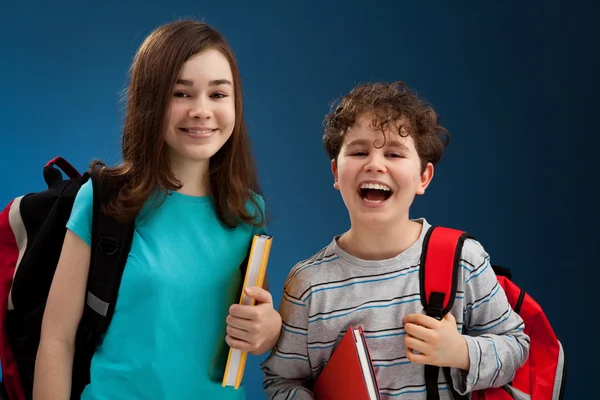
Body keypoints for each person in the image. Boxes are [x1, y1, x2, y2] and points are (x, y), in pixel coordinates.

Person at [33, 19, 282, 400]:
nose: (202, 110)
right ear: (150, 100)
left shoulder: (247, 211)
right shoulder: (103, 200)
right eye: (181, 93)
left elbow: (252, 329)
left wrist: (269, 329)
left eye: (218, 95)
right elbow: (56, 338)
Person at [261, 81, 529, 399]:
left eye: (393, 153)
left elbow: (515, 345)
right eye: (359, 152)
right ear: (335, 173)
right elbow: (281, 381)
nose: (375, 164)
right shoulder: (307, 284)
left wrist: (461, 351)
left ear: (423, 177)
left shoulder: (462, 259)